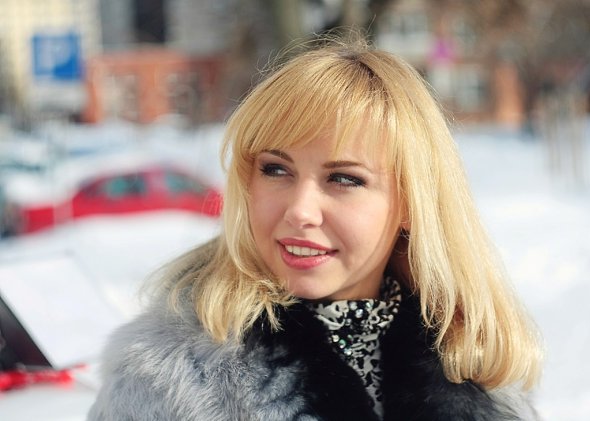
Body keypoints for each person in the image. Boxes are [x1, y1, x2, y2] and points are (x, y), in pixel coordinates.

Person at [88, 36, 543, 420]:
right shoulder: (165, 382)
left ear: (411, 201)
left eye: (343, 179)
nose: (301, 211)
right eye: (275, 169)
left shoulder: (475, 360)